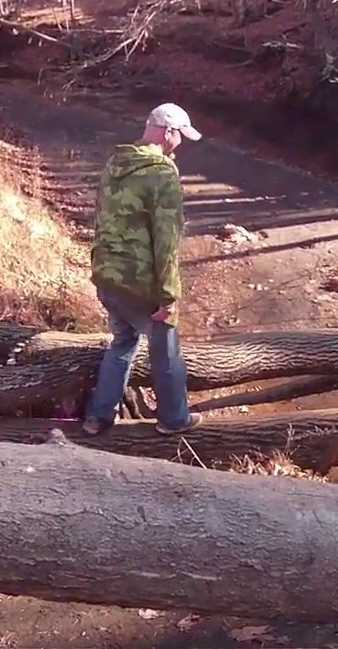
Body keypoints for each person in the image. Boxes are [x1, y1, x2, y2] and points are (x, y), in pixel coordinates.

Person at [81, 102, 205, 436]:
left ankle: (98, 417)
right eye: (180, 136)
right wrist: (169, 296)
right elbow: (167, 241)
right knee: (166, 350)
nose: (181, 144)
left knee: (122, 343)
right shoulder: (162, 172)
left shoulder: (116, 162)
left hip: (107, 274)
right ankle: (174, 419)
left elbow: (102, 217)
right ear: (168, 132)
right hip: (139, 282)